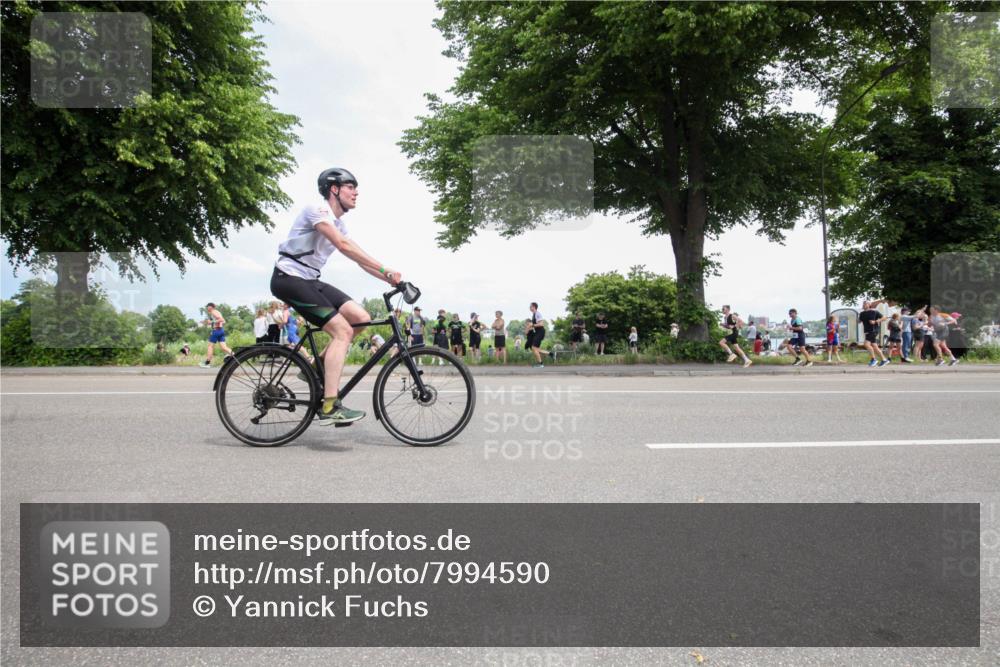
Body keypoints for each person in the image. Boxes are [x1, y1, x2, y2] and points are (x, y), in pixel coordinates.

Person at [269, 166, 401, 425]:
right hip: (289, 278)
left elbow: (358, 258)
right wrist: (384, 269)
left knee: (360, 318)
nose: (356, 192)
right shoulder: (317, 210)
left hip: (309, 279)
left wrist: (390, 277)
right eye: (351, 187)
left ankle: (316, 367)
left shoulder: (339, 224)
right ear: (334, 189)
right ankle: (330, 406)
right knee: (342, 331)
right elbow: (343, 246)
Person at [199, 302, 233, 367]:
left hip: (216, 331)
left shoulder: (213, 312)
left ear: (211, 307)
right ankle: (236, 356)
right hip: (221, 330)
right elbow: (224, 321)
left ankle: (207, 363)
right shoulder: (217, 312)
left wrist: (212, 322)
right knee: (224, 347)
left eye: (207, 307)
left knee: (210, 346)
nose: (207, 308)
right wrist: (207, 322)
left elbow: (221, 319)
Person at [858, 300, 889, 367]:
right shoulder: (862, 313)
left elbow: (884, 318)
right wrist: (859, 320)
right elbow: (859, 321)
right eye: (863, 304)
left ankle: (873, 359)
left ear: (869, 305)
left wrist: (876, 321)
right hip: (867, 331)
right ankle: (884, 360)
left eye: (865, 303)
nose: (864, 305)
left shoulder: (874, 312)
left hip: (873, 330)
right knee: (875, 346)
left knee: (866, 344)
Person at [527, 302, 547, 368]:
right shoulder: (534, 314)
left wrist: (532, 325)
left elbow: (541, 324)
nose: (529, 308)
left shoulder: (537, 314)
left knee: (533, 348)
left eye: (530, 306)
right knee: (535, 348)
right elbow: (534, 325)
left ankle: (541, 364)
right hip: (537, 332)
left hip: (540, 332)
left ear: (534, 307)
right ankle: (550, 354)